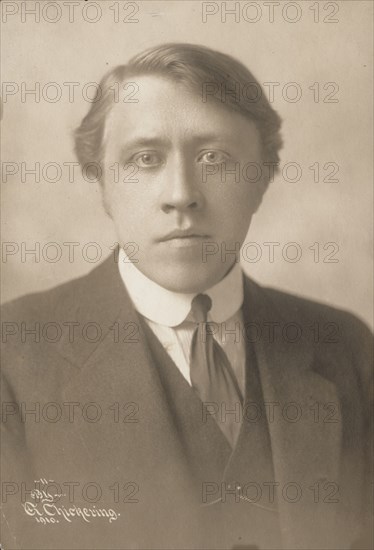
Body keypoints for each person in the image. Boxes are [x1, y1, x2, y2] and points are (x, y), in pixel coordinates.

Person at [1, 43, 372, 550]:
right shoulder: (14, 355)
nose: (181, 193)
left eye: (213, 157)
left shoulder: (345, 347)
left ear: (262, 177)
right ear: (101, 181)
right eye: (145, 158)